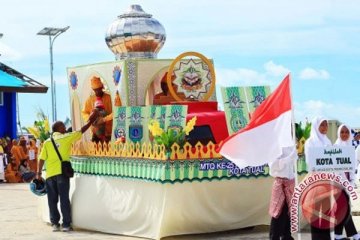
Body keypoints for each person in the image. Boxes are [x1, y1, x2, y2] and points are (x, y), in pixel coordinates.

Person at [37, 111, 98, 232]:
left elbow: (41, 158)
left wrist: (38, 173)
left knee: (52, 200)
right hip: (61, 174)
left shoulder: (47, 142)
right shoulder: (65, 137)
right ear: (59, 128)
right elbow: (81, 131)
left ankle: (55, 224)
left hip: (50, 175)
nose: (65, 128)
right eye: (63, 127)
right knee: (64, 199)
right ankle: (66, 225)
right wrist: (91, 120)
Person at [304, 117, 332, 240]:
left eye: (326, 125)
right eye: (322, 125)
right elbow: (310, 162)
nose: (325, 127)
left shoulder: (328, 142)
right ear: (316, 126)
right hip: (315, 182)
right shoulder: (310, 142)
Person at [333, 124, 360, 240]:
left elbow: (352, 167)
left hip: (348, 183)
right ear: (339, 133)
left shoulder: (351, 148)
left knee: (341, 210)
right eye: (342, 132)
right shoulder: (334, 148)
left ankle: (337, 235)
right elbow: (333, 168)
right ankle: (354, 234)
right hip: (337, 184)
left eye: (346, 132)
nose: (344, 134)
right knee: (344, 209)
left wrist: (351, 181)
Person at [268, 146, 297, 240]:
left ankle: (286, 236)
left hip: (290, 183)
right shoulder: (275, 146)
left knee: (289, 211)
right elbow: (274, 165)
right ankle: (274, 236)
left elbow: (292, 167)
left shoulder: (290, 146)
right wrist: (288, 159)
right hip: (280, 184)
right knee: (278, 212)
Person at [82, 76, 113, 142]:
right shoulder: (89, 100)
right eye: (95, 90)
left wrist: (104, 119)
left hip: (109, 132)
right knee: (96, 151)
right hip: (96, 134)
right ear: (93, 90)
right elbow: (84, 112)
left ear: (102, 88)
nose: (97, 91)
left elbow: (116, 112)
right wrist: (91, 120)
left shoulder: (109, 98)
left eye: (99, 89)